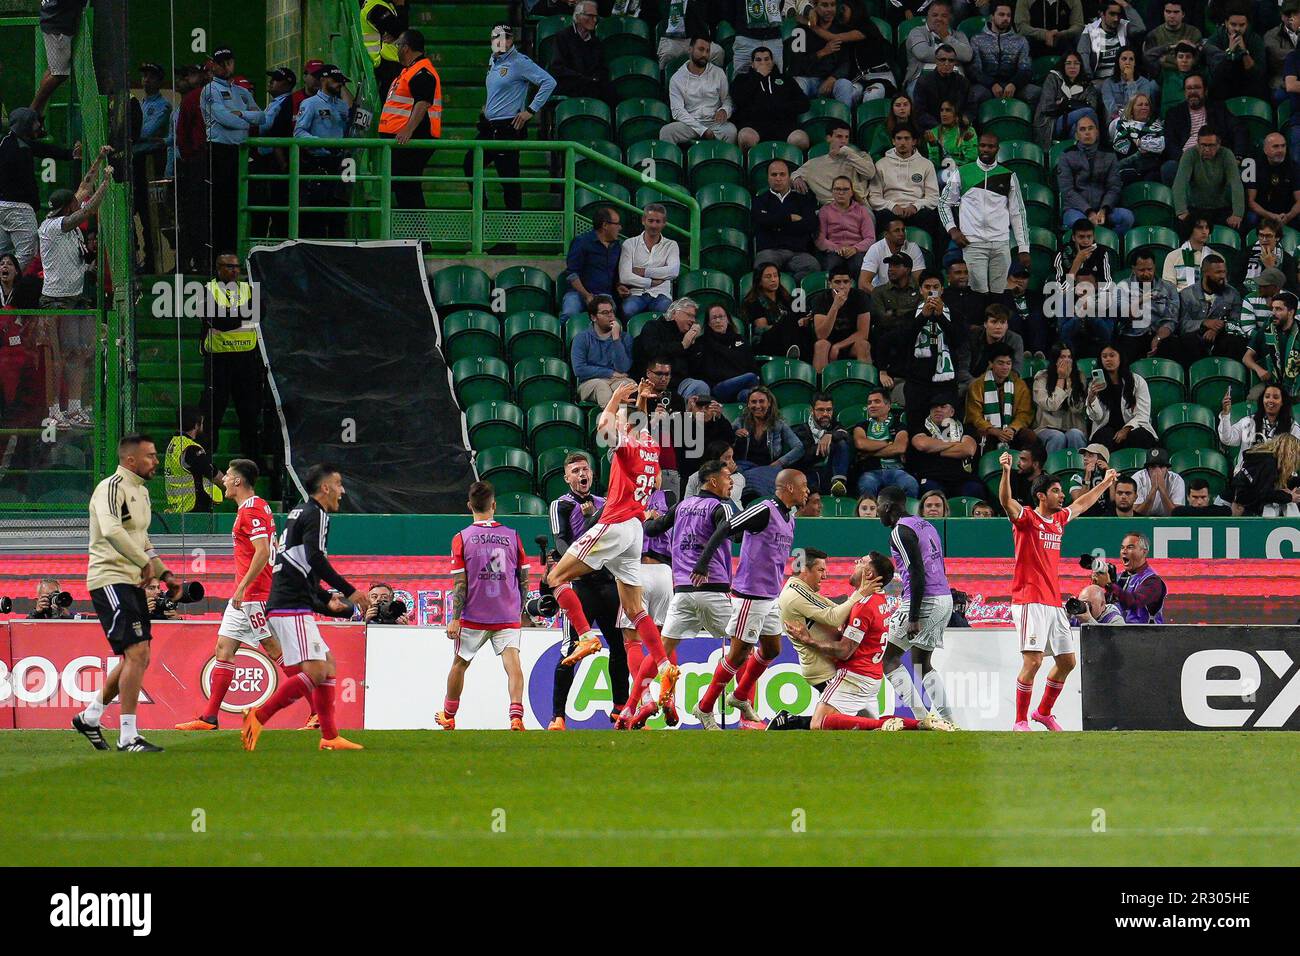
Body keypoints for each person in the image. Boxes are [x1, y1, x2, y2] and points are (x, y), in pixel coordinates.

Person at [535, 380, 680, 718]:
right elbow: (643, 445)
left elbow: (604, 426)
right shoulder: (651, 449)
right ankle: (663, 665)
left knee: (554, 578)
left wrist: (614, 399)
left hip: (614, 524)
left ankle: (585, 636)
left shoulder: (627, 445)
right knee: (634, 610)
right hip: (635, 530)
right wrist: (642, 402)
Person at [240, 465, 369, 752]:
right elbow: (315, 559)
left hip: (291, 601)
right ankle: (258, 716)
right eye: (338, 484)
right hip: (291, 605)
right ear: (325, 488)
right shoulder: (317, 515)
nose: (342, 491)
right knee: (315, 672)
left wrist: (324, 601)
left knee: (327, 664)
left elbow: (299, 566)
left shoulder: (299, 512)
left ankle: (330, 736)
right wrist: (350, 591)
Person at [998, 447, 1118, 731]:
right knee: (1034, 661)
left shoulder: (1058, 521)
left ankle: (1043, 712)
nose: (1062, 495)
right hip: (1030, 599)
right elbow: (1005, 501)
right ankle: (1019, 721)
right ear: (1041, 496)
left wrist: (1104, 483)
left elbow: (1083, 504)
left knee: (1067, 661)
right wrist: (1005, 472)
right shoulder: (1027, 519)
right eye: (1055, 491)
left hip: (1052, 602)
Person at [72, 435, 175, 753]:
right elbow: (111, 530)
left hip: (133, 581)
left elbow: (143, 540)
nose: (156, 461)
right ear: (130, 460)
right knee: (137, 654)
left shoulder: (142, 493)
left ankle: (90, 716)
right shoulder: (110, 487)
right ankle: (128, 736)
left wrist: (164, 573)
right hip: (110, 579)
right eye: (151, 456)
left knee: (136, 656)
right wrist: (144, 563)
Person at [176, 459, 291, 731]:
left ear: (238, 481)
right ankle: (210, 717)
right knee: (223, 650)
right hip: (246, 596)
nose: (224, 480)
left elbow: (262, 551)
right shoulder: (258, 506)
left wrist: (241, 587)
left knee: (276, 652)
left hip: (252, 596)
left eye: (228, 476)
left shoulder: (250, 511)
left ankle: (316, 709)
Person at [690, 469, 809, 729]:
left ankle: (740, 695)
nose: (807, 491)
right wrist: (703, 563)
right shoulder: (763, 509)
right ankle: (704, 706)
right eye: (804, 486)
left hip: (770, 595)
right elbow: (727, 527)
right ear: (789, 488)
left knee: (772, 649)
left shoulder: (790, 518)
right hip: (750, 595)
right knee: (737, 655)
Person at [629, 460, 737, 726]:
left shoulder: (682, 505)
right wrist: (703, 563)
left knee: (660, 653)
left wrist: (642, 518)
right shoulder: (720, 506)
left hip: (683, 592)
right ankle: (739, 714)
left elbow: (654, 529)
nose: (731, 481)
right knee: (743, 649)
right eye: (727, 477)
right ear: (712, 482)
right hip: (713, 589)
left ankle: (631, 706)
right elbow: (728, 532)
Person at [434, 481, 532, 731]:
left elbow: (460, 583)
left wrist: (455, 618)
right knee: (514, 666)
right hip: (506, 613)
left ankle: (448, 715)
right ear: (494, 505)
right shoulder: (513, 535)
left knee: (459, 664)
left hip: (474, 615)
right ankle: (516, 716)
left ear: (470, 506)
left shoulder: (462, 538)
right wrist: (518, 610)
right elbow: (523, 579)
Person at [546, 453, 627, 730]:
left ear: (592, 474)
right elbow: (560, 542)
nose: (583, 474)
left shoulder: (606, 504)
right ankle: (558, 716)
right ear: (567, 478)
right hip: (581, 587)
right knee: (571, 648)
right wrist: (574, 564)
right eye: (576, 470)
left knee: (620, 649)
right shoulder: (561, 505)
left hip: (607, 584)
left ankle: (620, 712)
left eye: (586, 469)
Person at [766, 548, 869, 731]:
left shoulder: (800, 589)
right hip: (822, 668)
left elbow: (837, 610)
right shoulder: (795, 594)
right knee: (857, 720)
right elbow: (834, 617)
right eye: (821, 570)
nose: (825, 576)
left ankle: (790, 721)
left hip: (825, 663)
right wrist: (860, 594)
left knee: (855, 718)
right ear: (805, 569)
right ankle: (791, 722)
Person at [38, 172, 109, 430]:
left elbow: (82, 188)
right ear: (69, 207)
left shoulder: (63, 213)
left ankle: (76, 409)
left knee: (79, 354)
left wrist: (100, 160)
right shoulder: (54, 226)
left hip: (75, 299)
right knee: (57, 359)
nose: (78, 202)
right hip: (55, 302)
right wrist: (106, 182)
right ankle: (54, 411)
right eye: (74, 203)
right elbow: (87, 210)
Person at [465, 25, 555, 214]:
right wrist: (488, 107)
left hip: (508, 126)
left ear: (512, 40)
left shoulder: (519, 62)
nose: (502, 41)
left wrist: (530, 110)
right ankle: (481, 209)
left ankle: (511, 237)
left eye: (506, 38)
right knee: (470, 163)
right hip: (489, 126)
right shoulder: (493, 60)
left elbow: (549, 82)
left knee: (509, 180)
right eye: (497, 37)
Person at [612, 486, 680, 727]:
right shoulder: (670, 496)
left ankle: (646, 697)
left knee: (632, 641)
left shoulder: (624, 495)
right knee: (664, 641)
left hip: (636, 571)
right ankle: (669, 697)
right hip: (664, 571)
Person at [941, 130, 1032, 295]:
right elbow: (943, 203)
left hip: (1001, 244)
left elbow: (1018, 213)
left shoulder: (1008, 175)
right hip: (973, 244)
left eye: (990, 146)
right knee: (978, 294)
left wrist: (1023, 247)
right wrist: (952, 230)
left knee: (998, 294)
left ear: (997, 149)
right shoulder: (962, 172)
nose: (985, 149)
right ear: (977, 147)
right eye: (982, 145)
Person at [200, 48, 265, 265]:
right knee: (221, 208)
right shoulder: (210, 91)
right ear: (214, 66)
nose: (226, 66)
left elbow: (262, 117)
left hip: (239, 153)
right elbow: (224, 119)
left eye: (229, 62)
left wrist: (242, 115)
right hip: (219, 152)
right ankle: (218, 260)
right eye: (221, 63)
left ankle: (235, 257)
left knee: (238, 206)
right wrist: (245, 120)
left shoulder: (242, 93)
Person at [203, 252, 264, 463]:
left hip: (246, 360)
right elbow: (218, 321)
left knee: (249, 411)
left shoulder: (249, 289)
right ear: (219, 268)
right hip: (218, 360)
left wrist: (231, 315)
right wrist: (241, 314)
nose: (235, 270)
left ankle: (253, 458)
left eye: (237, 267)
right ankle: (207, 457)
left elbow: (258, 314)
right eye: (229, 266)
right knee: (213, 412)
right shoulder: (209, 290)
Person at [0, 109, 79, 269]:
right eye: (33, 123)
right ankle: (6, 283)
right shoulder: (19, 150)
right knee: (27, 252)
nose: (37, 127)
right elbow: (27, 180)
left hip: (3, 206)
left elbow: (43, 149)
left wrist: (70, 154)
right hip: (19, 207)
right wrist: (35, 204)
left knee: (3, 250)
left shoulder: (9, 142)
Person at [379, 30, 442, 211]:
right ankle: (415, 238)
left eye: (398, 45)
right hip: (403, 141)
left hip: (413, 140)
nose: (396, 48)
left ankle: (419, 238)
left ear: (406, 48)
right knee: (404, 188)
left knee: (408, 189)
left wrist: (408, 129)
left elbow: (422, 103)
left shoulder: (422, 72)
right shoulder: (408, 71)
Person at [294, 64, 352, 238]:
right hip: (318, 161)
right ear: (323, 80)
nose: (339, 84)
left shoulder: (343, 106)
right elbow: (298, 133)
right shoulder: (310, 104)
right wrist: (320, 143)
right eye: (335, 80)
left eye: (341, 81)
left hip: (341, 163)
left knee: (339, 214)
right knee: (315, 215)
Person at [867, 126, 943, 252]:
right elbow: (874, 198)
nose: (902, 142)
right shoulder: (881, 164)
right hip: (890, 211)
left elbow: (933, 197)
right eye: (899, 139)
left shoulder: (926, 164)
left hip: (916, 211)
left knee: (933, 217)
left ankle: (932, 261)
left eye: (907, 139)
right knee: (880, 217)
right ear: (893, 141)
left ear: (914, 141)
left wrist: (915, 206)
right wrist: (892, 206)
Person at [1058, 114, 1133, 235]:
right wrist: (1089, 212)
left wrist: (1104, 210)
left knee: (1127, 217)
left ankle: (1110, 247)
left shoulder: (1109, 155)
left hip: (1104, 209)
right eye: (1082, 129)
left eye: (1090, 128)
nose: (1087, 132)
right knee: (1078, 222)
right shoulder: (1067, 156)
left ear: (1097, 132)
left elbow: (1114, 187)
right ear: (1076, 135)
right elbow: (1067, 191)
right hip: (1077, 209)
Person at [1161, 73, 1242, 185]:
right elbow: (1170, 142)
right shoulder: (1174, 113)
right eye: (1189, 88)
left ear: (1205, 91)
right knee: (1169, 168)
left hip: (1215, 159)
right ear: (1184, 92)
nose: (1193, 92)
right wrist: (1183, 160)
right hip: (1186, 160)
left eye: (1197, 87)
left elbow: (1238, 129)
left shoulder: (1218, 108)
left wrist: (1238, 155)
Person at [1168, 253, 1246, 366]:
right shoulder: (1187, 294)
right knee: (1184, 341)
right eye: (1218, 272)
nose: (1223, 276)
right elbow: (1182, 325)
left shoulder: (1232, 293)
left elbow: (1237, 321)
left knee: (1235, 341)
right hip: (1195, 339)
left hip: (1222, 337)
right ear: (1205, 273)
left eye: (1224, 272)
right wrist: (1204, 323)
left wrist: (1216, 329)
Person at [733, 46, 812, 152]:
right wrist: (758, 76)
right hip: (754, 125)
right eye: (758, 60)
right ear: (752, 64)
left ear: (772, 62)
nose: (763, 63)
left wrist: (782, 107)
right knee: (745, 137)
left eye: (766, 59)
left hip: (784, 124)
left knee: (801, 140)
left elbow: (804, 104)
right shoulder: (742, 79)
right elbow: (739, 99)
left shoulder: (786, 79)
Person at [661, 36, 737, 145]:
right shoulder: (677, 78)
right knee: (666, 131)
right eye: (701, 49)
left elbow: (727, 99)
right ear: (690, 49)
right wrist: (702, 130)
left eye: (707, 51)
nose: (705, 54)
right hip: (690, 124)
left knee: (731, 131)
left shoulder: (718, 73)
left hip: (714, 122)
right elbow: (677, 111)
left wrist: (724, 110)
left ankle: (723, 161)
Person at [132, 62, 171, 271]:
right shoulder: (140, 104)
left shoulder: (163, 106)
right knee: (132, 212)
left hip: (152, 167)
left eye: (151, 76)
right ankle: (135, 257)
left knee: (151, 217)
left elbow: (145, 132)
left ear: (159, 81)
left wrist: (134, 138)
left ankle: (151, 262)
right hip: (138, 165)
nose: (146, 79)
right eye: (144, 75)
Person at [752, 160, 820, 281]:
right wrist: (789, 218)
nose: (778, 178)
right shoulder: (759, 200)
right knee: (763, 267)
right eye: (774, 175)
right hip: (770, 251)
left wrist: (776, 223)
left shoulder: (803, 200)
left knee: (813, 266)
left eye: (782, 174)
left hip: (798, 252)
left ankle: (791, 294)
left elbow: (809, 225)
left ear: (789, 177)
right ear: (768, 178)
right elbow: (762, 222)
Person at [731, 386, 805, 497]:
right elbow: (724, 443)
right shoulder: (740, 422)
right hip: (743, 467)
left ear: (769, 403)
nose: (757, 406)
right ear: (748, 404)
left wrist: (780, 462)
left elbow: (799, 447)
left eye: (761, 401)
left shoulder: (778, 424)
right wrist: (734, 435)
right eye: (753, 402)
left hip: (768, 469)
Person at [790, 0, 866, 107]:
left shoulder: (841, 29)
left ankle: (842, 122)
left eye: (833, 5)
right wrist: (822, 52)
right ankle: (800, 123)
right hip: (808, 79)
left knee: (845, 84)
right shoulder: (800, 31)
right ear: (815, 6)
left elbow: (846, 62)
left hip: (831, 81)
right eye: (824, 5)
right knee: (797, 84)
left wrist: (833, 78)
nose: (829, 9)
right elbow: (796, 66)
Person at [1172, 127, 1243, 237]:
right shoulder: (1189, 154)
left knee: (1237, 227)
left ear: (1219, 145)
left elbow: (1236, 184)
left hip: (1221, 208)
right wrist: (1181, 211)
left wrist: (1237, 214)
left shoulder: (1227, 155)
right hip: (1196, 208)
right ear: (1197, 143)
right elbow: (1180, 183)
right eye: (1203, 145)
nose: (1206, 149)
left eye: (1211, 145)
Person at [910, 392, 984, 498]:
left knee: (974, 489)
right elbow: (922, 444)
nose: (938, 409)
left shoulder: (965, 428)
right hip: (932, 477)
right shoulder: (921, 427)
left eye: (943, 407)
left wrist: (935, 449)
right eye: (934, 407)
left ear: (952, 412)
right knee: (931, 491)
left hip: (962, 477)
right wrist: (954, 443)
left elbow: (968, 449)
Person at [965, 342, 1034, 456]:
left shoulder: (1019, 385)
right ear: (991, 364)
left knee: (1029, 436)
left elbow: (1024, 413)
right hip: (987, 431)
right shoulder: (977, 385)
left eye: (1008, 363)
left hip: (1011, 431)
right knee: (980, 437)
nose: (1005, 367)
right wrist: (994, 431)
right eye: (1000, 363)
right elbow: (975, 416)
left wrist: (1012, 428)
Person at [630, 300, 709, 398]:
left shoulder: (687, 336)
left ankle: (687, 412)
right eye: (689, 315)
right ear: (674, 313)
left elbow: (695, 369)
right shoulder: (653, 327)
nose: (693, 320)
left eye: (694, 317)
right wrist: (682, 345)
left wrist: (694, 344)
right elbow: (653, 353)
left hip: (680, 384)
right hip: (652, 383)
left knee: (700, 386)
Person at [1086, 343, 1158, 449]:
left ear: (1120, 357)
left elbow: (1143, 415)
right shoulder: (1095, 384)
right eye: (1104, 356)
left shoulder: (1137, 381)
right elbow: (1097, 417)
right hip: (1107, 428)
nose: (1108, 359)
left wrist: (1126, 428)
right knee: (1104, 436)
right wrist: (1091, 398)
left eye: (1112, 355)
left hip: (1133, 427)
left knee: (1138, 436)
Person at [560, 206, 623, 322]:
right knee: (570, 313)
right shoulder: (582, 242)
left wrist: (619, 286)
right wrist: (587, 296)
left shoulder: (617, 246)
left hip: (604, 295)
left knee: (607, 318)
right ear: (605, 225)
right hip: (578, 293)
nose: (620, 227)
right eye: (617, 224)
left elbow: (616, 273)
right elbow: (572, 274)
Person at [1220, 382, 1300, 473]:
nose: (1270, 400)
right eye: (1267, 396)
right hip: (1248, 477)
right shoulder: (1249, 422)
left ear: (1282, 402)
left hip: (1278, 477)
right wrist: (1225, 414)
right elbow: (1227, 438)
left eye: (1276, 397)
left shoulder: (1292, 426)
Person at [853, 385, 918, 497]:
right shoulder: (862, 426)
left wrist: (869, 453)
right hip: (871, 471)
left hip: (896, 470)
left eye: (877, 402)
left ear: (888, 406)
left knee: (910, 484)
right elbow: (861, 444)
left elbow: (899, 447)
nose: (872, 405)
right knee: (867, 485)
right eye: (869, 403)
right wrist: (888, 443)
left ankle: (905, 515)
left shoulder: (899, 426)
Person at [792, 120, 876, 204]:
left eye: (846, 137)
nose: (844, 141)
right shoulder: (814, 164)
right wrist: (796, 178)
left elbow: (870, 173)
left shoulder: (861, 157)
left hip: (858, 206)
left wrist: (848, 153)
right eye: (839, 136)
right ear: (828, 138)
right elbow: (793, 174)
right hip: (830, 209)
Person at [619, 204, 680, 318]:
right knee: (627, 309)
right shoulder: (629, 243)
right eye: (650, 221)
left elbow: (673, 271)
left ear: (664, 223)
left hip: (661, 294)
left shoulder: (671, 245)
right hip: (636, 294)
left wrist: (644, 272)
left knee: (667, 311)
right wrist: (652, 282)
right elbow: (625, 277)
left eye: (658, 221)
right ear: (643, 221)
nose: (654, 225)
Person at [688, 304, 759, 402]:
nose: (718, 321)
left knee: (749, 396)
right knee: (751, 377)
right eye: (714, 318)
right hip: (719, 388)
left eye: (721, 317)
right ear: (708, 323)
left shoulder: (740, 340)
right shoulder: (702, 342)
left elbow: (752, 364)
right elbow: (701, 371)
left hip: (741, 387)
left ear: (728, 320)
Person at [1033, 51, 1103, 150]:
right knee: (1088, 112)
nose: (1072, 67)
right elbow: (1046, 106)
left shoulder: (1087, 85)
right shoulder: (1053, 79)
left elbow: (1093, 105)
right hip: (1053, 124)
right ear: (1063, 65)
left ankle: (1079, 156)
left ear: (1081, 66)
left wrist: (1065, 103)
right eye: (1068, 63)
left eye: (1076, 63)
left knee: (1078, 126)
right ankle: (1095, 150)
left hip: (1074, 126)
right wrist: (1075, 106)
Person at [970, 3, 1035, 107]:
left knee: (1034, 93)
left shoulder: (1021, 40)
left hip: (1013, 85)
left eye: (1008, 15)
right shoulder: (977, 39)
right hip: (987, 85)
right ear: (991, 17)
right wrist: (992, 84)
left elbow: (1026, 69)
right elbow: (975, 69)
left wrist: (1014, 84)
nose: (1006, 18)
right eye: (1001, 14)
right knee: (976, 95)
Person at [572, 295, 633, 406]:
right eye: (605, 313)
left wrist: (616, 339)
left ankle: (626, 421)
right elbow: (579, 369)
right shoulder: (581, 338)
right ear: (594, 317)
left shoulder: (624, 338)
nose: (610, 316)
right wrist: (610, 373)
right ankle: (610, 421)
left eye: (611, 312)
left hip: (616, 381)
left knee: (630, 387)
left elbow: (623, 368)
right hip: (589, 382)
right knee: (602, 387)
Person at [1094, 531, 1167, 623]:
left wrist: (1109, 584)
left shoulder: (1153, 581)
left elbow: (1134, 603)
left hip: (1145, 634)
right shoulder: (1119, 577)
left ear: (1144, 552)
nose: (1124, 551)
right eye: (1122, 548)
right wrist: (1096, 588)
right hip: (1118, 633)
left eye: (1130, 547)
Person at [743, 262, 811, 360]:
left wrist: (805, 319)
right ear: (759, 281)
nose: (773, 280)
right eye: (768, 277)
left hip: (791, 337)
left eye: (775, 276)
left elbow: (802, 316)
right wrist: (785, 326)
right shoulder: (753, 302)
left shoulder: (787, 299)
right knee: (788, 319)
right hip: (767, 341)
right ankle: (793, 354)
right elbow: (762, 328)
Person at [31, 0, 86, 117]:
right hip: (56, 24)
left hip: (53, 20)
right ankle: (32, 112)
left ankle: (36, 113)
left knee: (54, 70)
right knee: (58, 73)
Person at [163, 407, 223, 514]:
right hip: (193, 509)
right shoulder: (191, 449)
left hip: (179, 507)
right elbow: (212, 473)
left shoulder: (173, 444)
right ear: (196, 425)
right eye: (202, 423)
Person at [904, 2, 974, 93]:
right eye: (935, 15)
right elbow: (923, 53)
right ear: (927, 16)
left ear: (950, 18)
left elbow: (967, 56)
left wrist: (946, 37)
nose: (939, 19)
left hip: (954, 79)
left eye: (944, 16)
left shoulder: (959, 35)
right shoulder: (917, 32)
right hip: (920, 79)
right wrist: (955, 57)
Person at [810, 266, 872, 370]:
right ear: (830, 284)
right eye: (837, 282)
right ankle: (821, 383)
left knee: (864, 345)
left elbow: (863, 333)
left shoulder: (860, 297)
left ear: (851, 283)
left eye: (845, 282)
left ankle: (864, 382)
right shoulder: (820, 299)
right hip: (828, 341)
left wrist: (838, 346)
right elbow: (821, 335)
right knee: (821, 345)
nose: (842, 286)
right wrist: (835, 306)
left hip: (851, 342)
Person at [791, 392, 851, 497]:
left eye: (829, 410)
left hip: (830, 473)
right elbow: (805, 456)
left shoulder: (835, 426)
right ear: (812, 410)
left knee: (842, 443)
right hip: (808, 473)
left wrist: (829, 435)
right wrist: (830, 442)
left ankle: (839, 483)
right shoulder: (801, 430)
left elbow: (846, 436)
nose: (825, 414)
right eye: (820, 410)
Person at [1204, 4, 1268, 103]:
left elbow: (1257, 74)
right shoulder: (1216, 39)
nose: (1237, 29)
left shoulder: (1255, 40)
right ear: (1226, 23)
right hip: (1224, 85)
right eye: (1233, 24)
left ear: (1247, 24)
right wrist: (1230, 51)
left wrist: (1244, 52)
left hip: (1247, 85)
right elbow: (1216, 73)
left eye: (1242, 25)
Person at [1033, 344, 1089, 452]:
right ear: (1055, 360)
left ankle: (1080, 467)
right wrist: (1061, 379)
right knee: (1057, 437)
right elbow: (1051, 405)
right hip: (1047, 427)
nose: (1067, 361)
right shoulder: (1041, 378)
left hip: (1073, 426)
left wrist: (1069, 383)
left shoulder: (1080, 377)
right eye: (1062, 357)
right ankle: (1051, 468)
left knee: (1076, 435)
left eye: (1069, 357)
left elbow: (1077, 408)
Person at [1244, 292, 1300, 399]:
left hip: (1296, 385)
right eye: (1273, 309)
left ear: (1291, 312)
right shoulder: (1266, 330)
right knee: (1253, 397)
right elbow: (1246, 358)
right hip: (1271, 385)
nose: (1273, 313)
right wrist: (1259, 370)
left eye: (1279, 309)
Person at [549, 2, 609, 101]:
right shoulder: (562, 37)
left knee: (610, 93)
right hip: (570, 84)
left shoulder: (596, 41)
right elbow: (558, 67)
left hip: (591, 85)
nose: (594, 20)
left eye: (595, 17)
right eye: (590, 16)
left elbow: (601, 67)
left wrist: (595, 78)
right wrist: (583, 79)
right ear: (577, 17)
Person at [816, 175, 875, 275]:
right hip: (833, 251)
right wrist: (837, 248)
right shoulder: (824, 211)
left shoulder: (862, 210)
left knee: (859, 264)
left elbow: (870, 238)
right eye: (837, 189)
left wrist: (855, 248)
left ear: (851, 192)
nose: (841, 193)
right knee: (833, 264)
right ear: (832, 192)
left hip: (857, 251)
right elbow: (819, 239)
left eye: (845, 189)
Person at [1078, 0, 1146, 82]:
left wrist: (1125, 5)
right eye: (1112, 14)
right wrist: (1089, 81)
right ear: (1102, 14)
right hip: (1100, 81)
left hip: (1123, 78)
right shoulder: (1089, 31)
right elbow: (1083, 59)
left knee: (1150, 87)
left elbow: (1141, 28)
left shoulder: (1124, 26)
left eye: (1118, 14)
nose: (1116, 19)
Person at [1109, 92, 1165, 186]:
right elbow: (1121, 147)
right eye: (1140, 105)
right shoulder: (1122, 124)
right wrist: (1146, 146)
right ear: (1132, 108)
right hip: (1127, 165)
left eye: (1146, 105)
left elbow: (1160, 145)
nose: (1144, 107)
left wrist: (1137, 142)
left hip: (1151, 166)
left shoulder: (1157, 126)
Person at [1246, 134, 1300, 230]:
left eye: (1283, 146)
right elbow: (1251, 202)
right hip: (1262, 213)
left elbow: (1299, 200)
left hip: (1287, 213)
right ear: (1265, 149)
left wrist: (1288, 216)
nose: (1280, 150)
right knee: (1251, 218)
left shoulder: (1294, 167)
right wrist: (1270, 216)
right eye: (1275, 146)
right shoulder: (1253, 167)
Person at [914, 46, 971, 131]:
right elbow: (920, 112)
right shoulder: (924, 82)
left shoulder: (963, 82)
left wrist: (963, 119)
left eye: (951, 60)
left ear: (955, 63)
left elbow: (970, 107)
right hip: (931, 128)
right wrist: (939, 127)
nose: (947, 63)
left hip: (957, 127)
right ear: (936, 61)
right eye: (942, 60)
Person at [923, 99, 978, 188]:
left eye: (948, 110)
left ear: (956, 114)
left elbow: (973, 159)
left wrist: (967, 142)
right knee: (944, 179)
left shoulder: (968, 131)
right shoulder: (934, 132)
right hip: (943, 171)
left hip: (965, 170)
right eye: (942, 110)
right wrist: (933, 145)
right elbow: (934, 164)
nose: (943, 114)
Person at [859, 217, 926, 289]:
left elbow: (919, 281)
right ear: (886, 234)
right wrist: (881, 296)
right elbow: (863, 284)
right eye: (897, 231)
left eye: (903, 230)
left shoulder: (913, 248)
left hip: (906, 294)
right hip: (881, 293)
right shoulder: (875, 249)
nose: (902, 234)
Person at [656, 0, 724, 70]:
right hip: (672, 39)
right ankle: (665, 79)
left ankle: (714, 79)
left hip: (698, 38)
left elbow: (710, 15)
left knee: (717, 52)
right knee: (668, 54)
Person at [1143, 0, 1201, 73]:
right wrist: (1171, 47)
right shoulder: (1153, 35)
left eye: (1176, 12)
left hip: (1189, 75)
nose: (1172, 16)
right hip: (1163, 76)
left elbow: (1197, 61)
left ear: (1183, 14)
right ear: (1163, 13)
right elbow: (1148, 59)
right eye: (1168, 12)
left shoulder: (1194, 32)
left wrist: (1166, 59)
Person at [1100, 48, 1157, 122]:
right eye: (1124, 59)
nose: (1127, 62)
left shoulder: (1144, 83)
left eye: (1131, 59)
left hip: (1138, 120)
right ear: (1118, 62)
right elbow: (1112, 110)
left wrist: (1130, 81)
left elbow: (1139, 106)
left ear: (1135, 63)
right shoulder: (1108, 83)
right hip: (1116, 120)